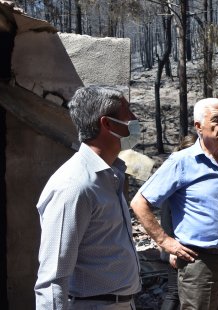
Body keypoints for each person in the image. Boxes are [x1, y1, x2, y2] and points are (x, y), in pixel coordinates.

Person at [131, 98, 218, 310]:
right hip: (201, 264)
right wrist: (166, 242)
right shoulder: (182, 162)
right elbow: (140, 202)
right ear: (198, 127)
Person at [34, 86, 142, 309]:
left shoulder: (110, 175)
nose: (134, 119)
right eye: (128, 113)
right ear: (107, 124)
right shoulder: (74, 186)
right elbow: (53, 279)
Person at [159, 134, 197, 310]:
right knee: (174, 293)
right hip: (177, 247)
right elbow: (166, 216)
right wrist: (171, 248)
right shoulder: (176, 177)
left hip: (192, 248)